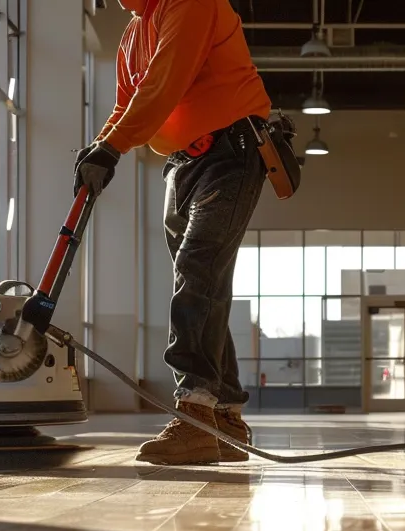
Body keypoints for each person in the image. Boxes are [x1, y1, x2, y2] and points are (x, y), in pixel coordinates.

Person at [74, 0, 280, 465]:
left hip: (233, 151)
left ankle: (194, 414)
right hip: (182, 163)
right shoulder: (132, 33)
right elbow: (129, 100)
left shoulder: (191, 3)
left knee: (198, 268)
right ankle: (225, 413)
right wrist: (99, 148)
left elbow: (166, 81)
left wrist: (112, 148)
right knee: (204, 282)